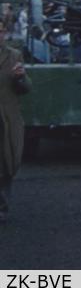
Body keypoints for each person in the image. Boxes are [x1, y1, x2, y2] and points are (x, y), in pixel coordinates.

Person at [0, 20, 33, 223]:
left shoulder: (13, 56)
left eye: (0, 31)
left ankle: (2, 207)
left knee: (7, 161)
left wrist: (20, 78)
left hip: (6, 118)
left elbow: (26, 88)